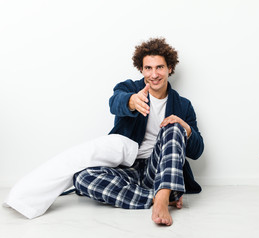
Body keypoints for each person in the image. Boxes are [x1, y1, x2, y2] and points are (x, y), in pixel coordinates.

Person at [72, 38, 204, 226]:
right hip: (128, 168)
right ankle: (158, 196)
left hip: (160, 169)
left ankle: (162, 197)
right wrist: (131, 101)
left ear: (170, 69)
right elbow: (115, 102)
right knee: (82, 177)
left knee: (174, 127)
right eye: (148, 68)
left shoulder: (183, 105)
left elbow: (197, 152)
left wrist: (187, 129)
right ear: (141, 69)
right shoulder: (129, 89)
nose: (154, 74)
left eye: (159, 67)